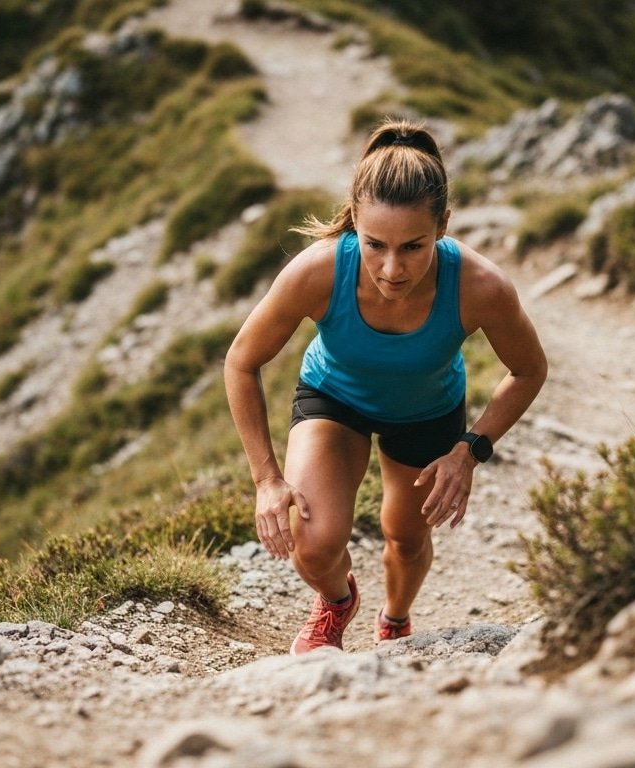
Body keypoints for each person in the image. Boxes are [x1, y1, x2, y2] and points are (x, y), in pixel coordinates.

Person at [223, 118, 548, 655]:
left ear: (443, 226)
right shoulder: (318, 272)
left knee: (406, 536)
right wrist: (266, 480)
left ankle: (395, 620)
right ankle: (337, 600)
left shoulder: (480, 286)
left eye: (413, 247)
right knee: (314, 542)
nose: (392, 269)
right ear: (354, 222)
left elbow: (529, 370)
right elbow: (241, 361)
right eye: (374, 245)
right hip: (335, 399)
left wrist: (468, 451)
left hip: (428, 412)